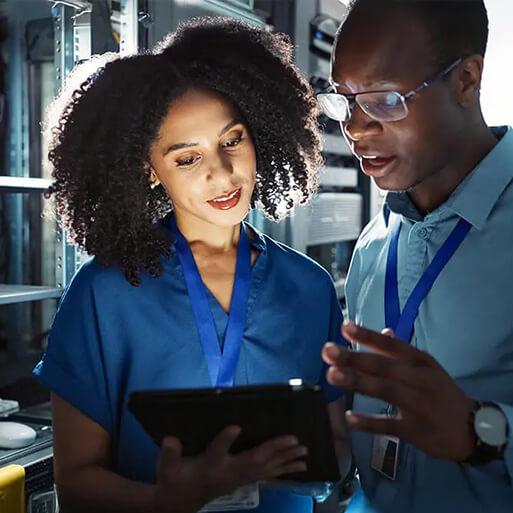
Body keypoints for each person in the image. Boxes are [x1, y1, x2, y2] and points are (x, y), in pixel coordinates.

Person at [33, 17, 351, 513]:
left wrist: (329, 467)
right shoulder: (104, 293)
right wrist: (167, 500)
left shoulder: (309, 288)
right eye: (186, 158)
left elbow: (336, 444)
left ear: (260, 132)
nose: (222, 173)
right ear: (149, 168)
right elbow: (75, 483)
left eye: (232, 140)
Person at [318, 1, 513, 512]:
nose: (356, 129)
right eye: (345, 101)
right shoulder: (373, 245)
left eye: (384, 100)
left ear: (467, 80)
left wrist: (483, 431)